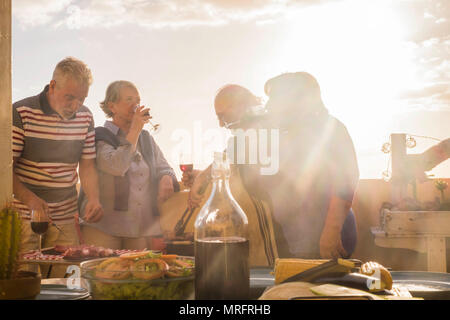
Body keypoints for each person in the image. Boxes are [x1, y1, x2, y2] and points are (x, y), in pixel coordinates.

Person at [12, 57, 103, 277]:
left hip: (65, 218)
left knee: (67, 284)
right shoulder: (21, 112)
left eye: (81, 99)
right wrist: (30, 200)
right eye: (69, 97)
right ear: (52, 86)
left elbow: (87, 166)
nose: (75, 106)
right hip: (26, 219)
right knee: (26, 282)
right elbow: (5, 168)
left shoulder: (86, 117)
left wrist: (93, 198)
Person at [254, 71, 359, 259]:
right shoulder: (282, 134)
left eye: (275, 98)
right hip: (296, 237)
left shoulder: (331, 128)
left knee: (321, 288)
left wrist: (331, 233)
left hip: (324, 235)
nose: (269, 105)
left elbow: (347, 181)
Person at [184, 84, 280, 267]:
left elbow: (237, 155)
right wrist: (201, 175)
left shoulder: (263, 126)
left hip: (277, 232)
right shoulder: (246, 130)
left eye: (222, 115)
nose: (220, 124)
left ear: (240, 106)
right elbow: (231, 158)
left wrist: (203, 177)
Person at [79, 80, 179, 251]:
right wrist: (135, 130)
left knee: (139, 274)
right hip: (104, 227)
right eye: (129, 100)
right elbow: (117, 166)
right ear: (112, 106)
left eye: (137, 100)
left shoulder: (145, 138)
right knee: (104, 273)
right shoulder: (99, 136)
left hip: (139, 227)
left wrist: (166, 177)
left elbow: (164, 166)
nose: (136, 105)